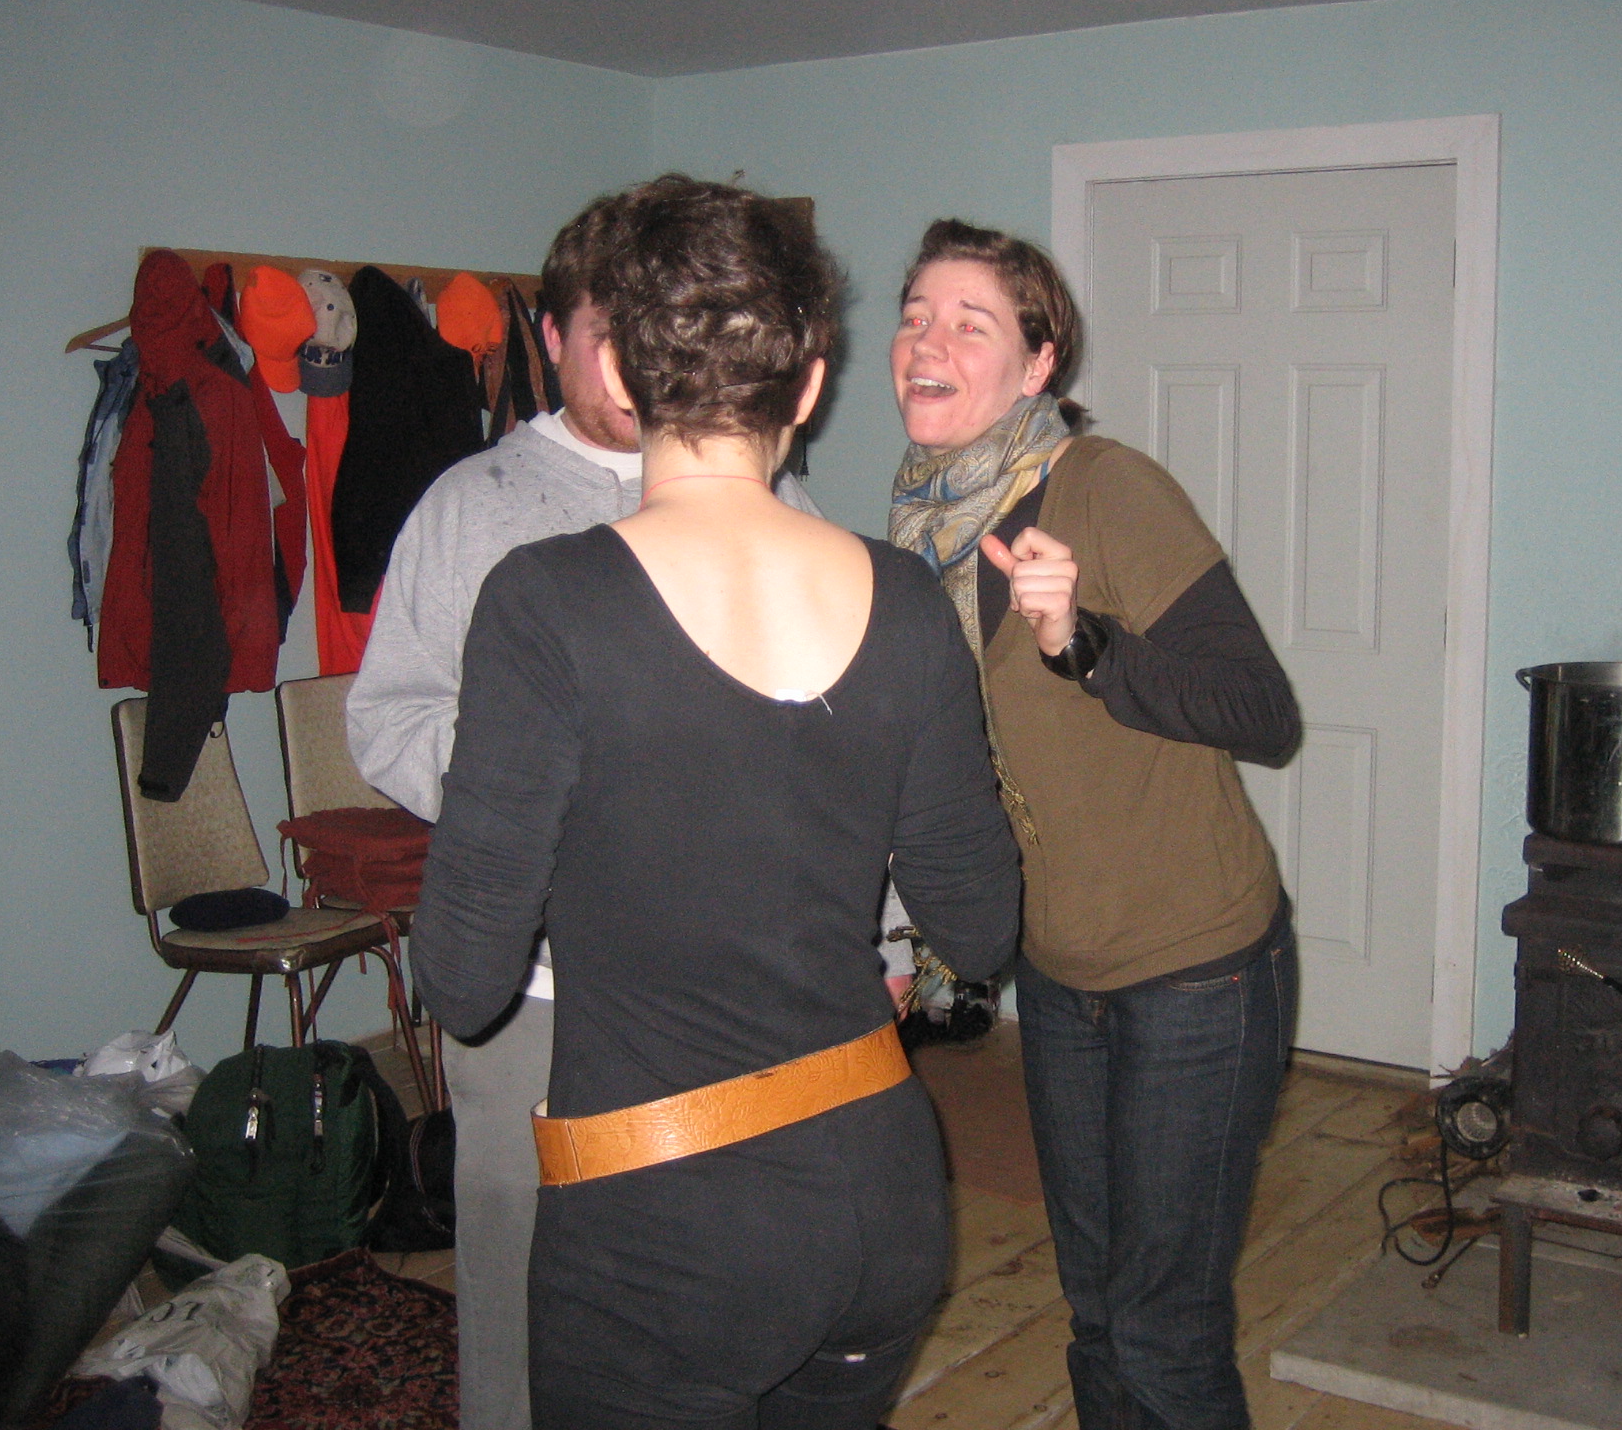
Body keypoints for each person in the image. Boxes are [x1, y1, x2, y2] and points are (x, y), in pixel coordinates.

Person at [410, 176, 1021, 1428]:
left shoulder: (545, 602)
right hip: (880, 1197)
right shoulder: (905, 600)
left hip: (662, 1227)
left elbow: (463, 984)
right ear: (807, 387)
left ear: (617, 375)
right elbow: (981, 927)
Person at [346, 195, 821, 1430]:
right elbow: (388, 719)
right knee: (520, 1284)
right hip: (534, 986)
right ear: (554, 337)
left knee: (714, 1277)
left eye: (652, 328)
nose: (631, 362)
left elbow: (829, 739)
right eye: (606, 331)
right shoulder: (473, 506)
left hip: (729, 987)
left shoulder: (776, 501)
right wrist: (536, 782)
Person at [888, 220, 1303, 1430]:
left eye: (970, 323)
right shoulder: (919, 530)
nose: (927, 341)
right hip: (1061, 973)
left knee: (1163, 1332)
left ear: (1037, 364)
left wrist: (1087, 646)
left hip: (1196, 969)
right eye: (916, 316)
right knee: (1097, 1313)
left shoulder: (1104, 488)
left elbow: (1261, 712)